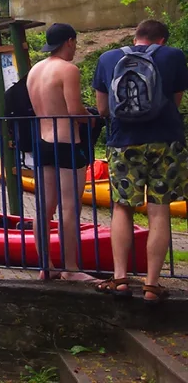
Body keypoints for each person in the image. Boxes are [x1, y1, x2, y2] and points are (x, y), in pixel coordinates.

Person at [92, 19, 188, 303]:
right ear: (161, 40)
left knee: (122, 208)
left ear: (136, 36)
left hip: (123, 143)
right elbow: (176, 101)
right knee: (160, 210)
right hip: (166, 142)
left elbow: (102, 109)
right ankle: (151, 285)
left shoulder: (108, 58)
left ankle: (120, 278)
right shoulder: (173, 55)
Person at [26, 23, 98, 283]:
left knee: (44, 208)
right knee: (70, 207)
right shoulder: (68, 70)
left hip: (42, 142)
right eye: (75, 43)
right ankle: (70, 267)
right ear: (69, 41)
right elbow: (75, 110)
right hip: (67, 144)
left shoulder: (35, 70)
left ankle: (46, 265)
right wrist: (91, 119)